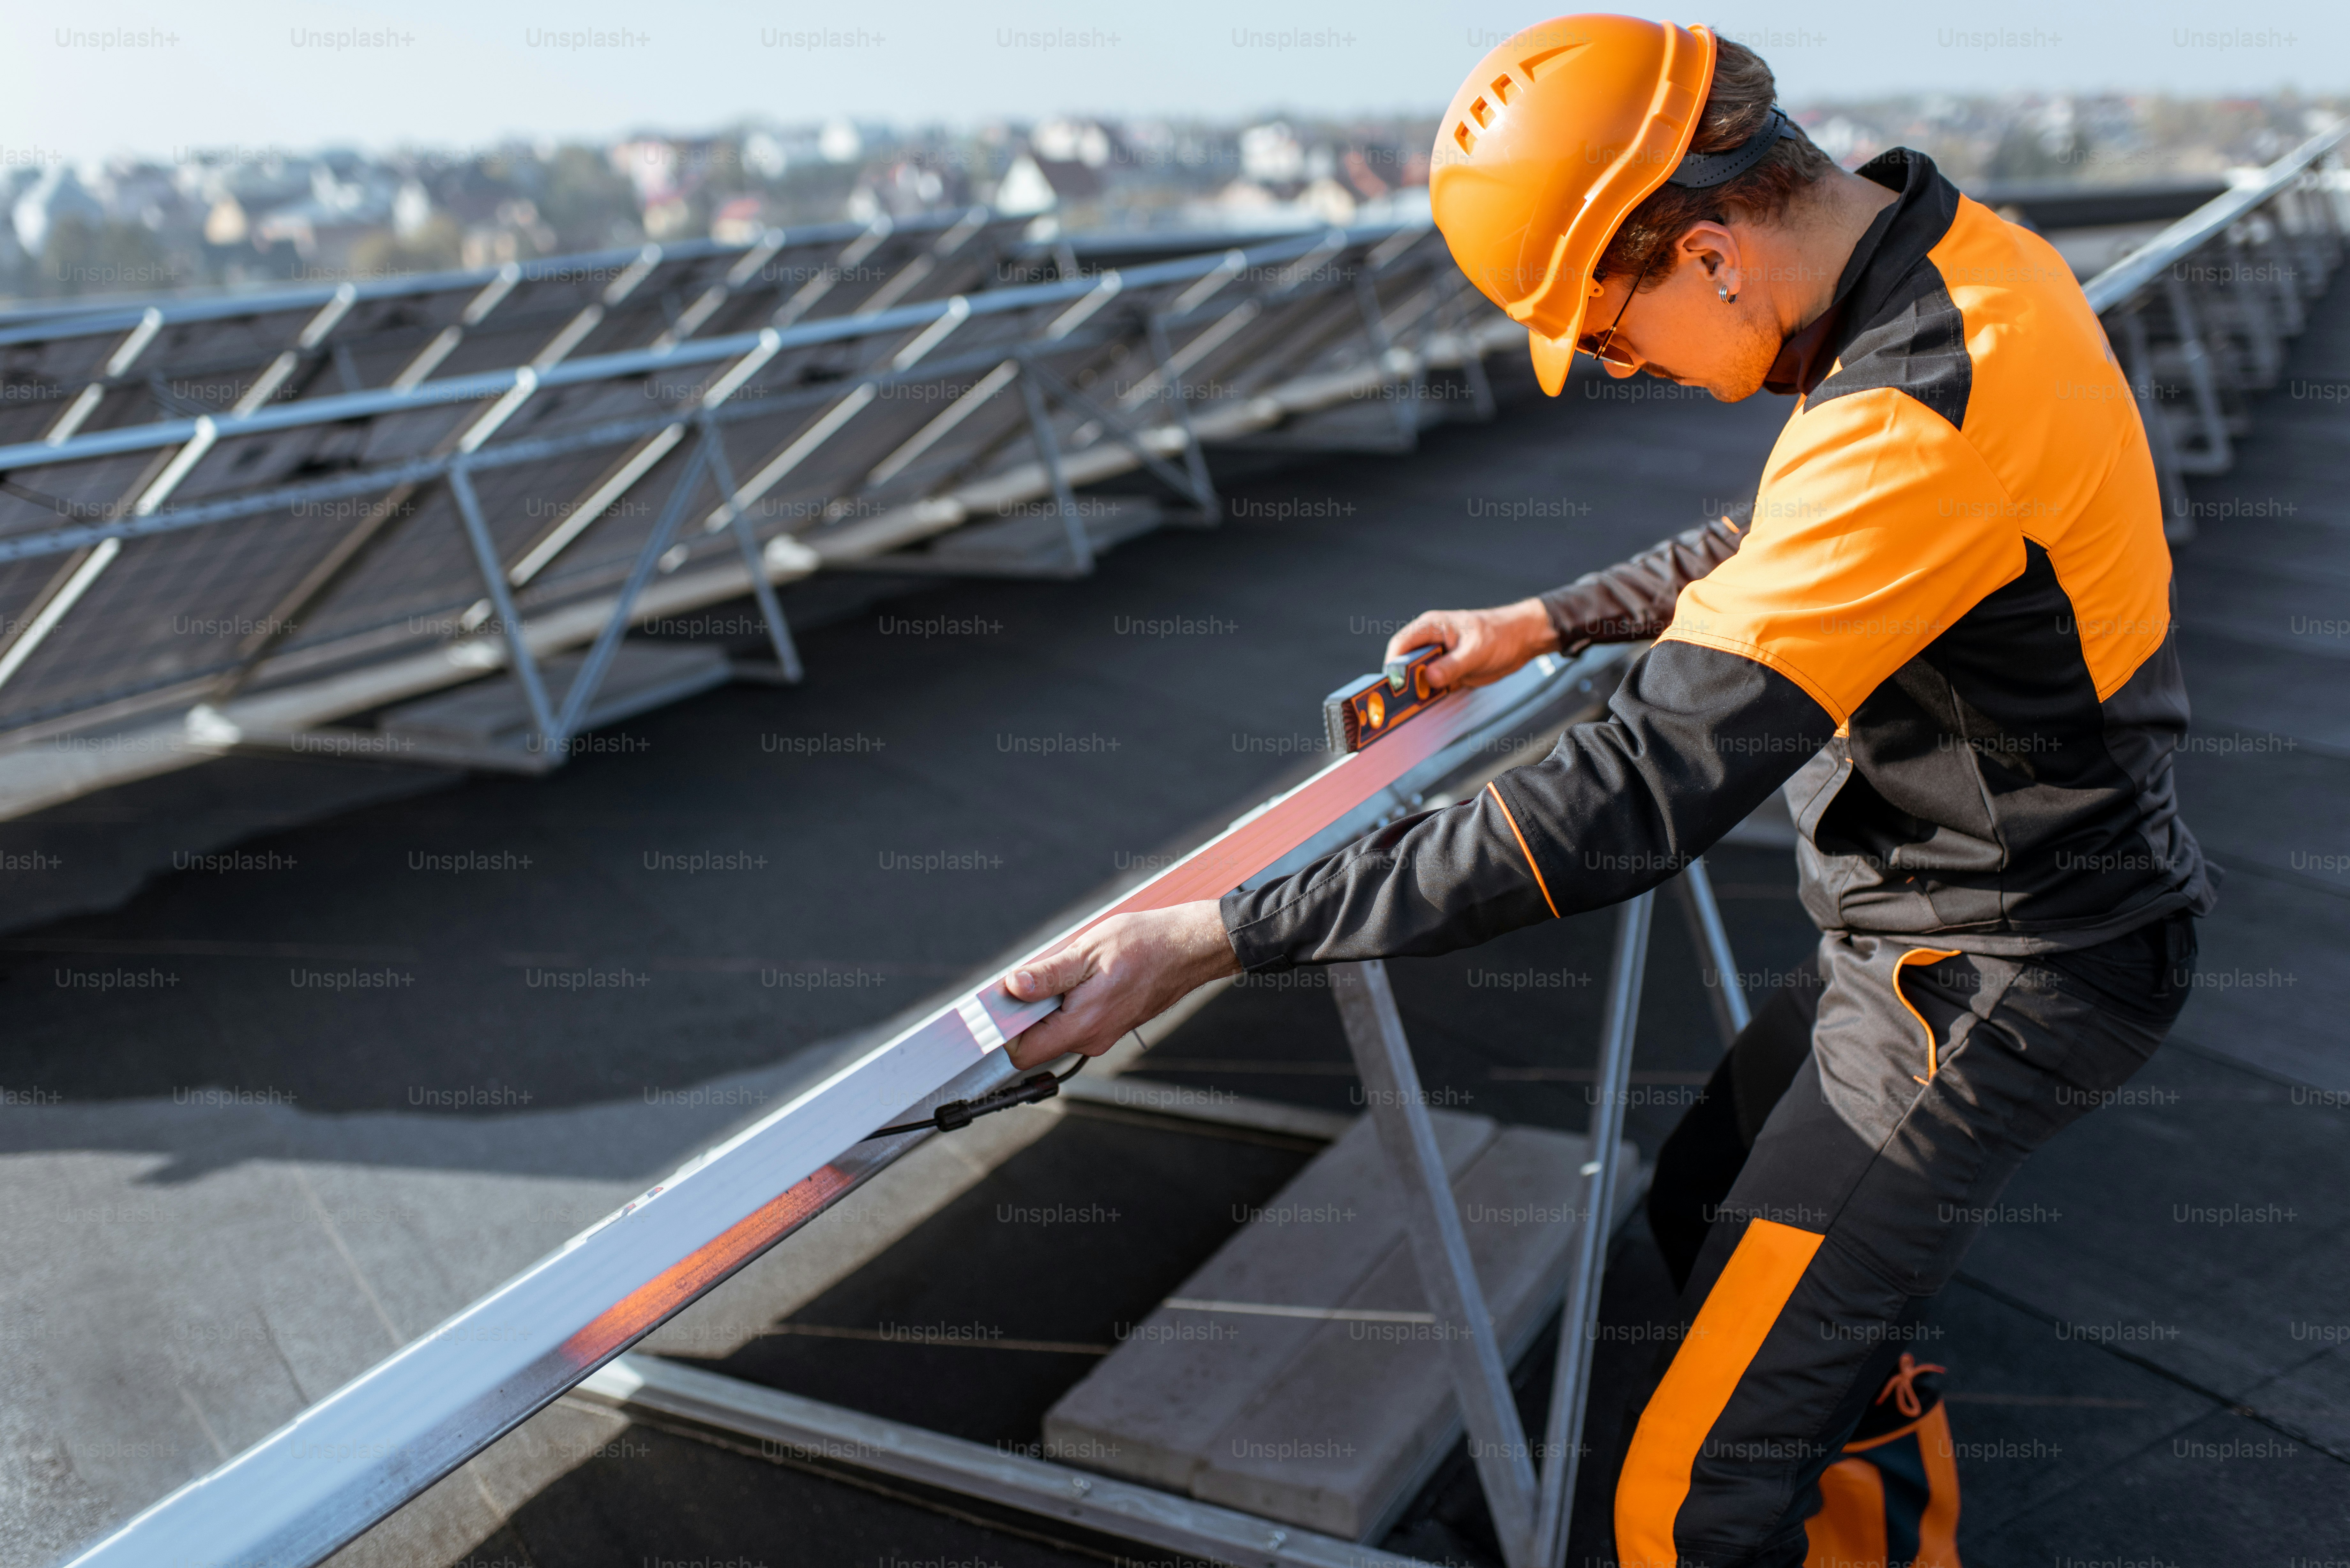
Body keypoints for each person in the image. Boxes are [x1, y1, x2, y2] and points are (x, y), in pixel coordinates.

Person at [1005, 16, 2212, 1566]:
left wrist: (1213, 937)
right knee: (1703, 1199)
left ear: (1710, 255)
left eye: (1616, 338)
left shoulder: (1909, 422)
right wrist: (1548, 620)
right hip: (1953, 925)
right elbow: (1790, 538)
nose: (1625, 372)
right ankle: (1876, 1499)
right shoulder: (1957, 267)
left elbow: (1622, 796)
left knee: (1678, 1507)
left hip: (2004, 972)